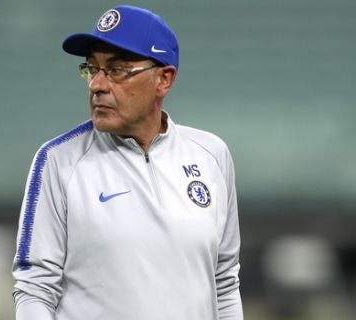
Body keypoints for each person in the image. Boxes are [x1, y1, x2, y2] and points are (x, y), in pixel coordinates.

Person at [12, 5, 243, 320]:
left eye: (117, 69)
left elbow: (224, 282)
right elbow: (35, 289)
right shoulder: (58, 161)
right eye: (92, 68)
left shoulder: (211, 154)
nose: (97, 85)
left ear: (164, 79)